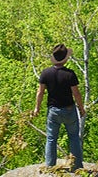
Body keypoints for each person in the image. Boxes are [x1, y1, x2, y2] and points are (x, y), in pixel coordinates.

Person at [33, 43, 86, 171]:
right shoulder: (70, 74)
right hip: (69, 110)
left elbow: (40, 92)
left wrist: (37, 108)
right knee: (73, 137)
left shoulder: (46, 73)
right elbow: (76, 93)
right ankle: (77, 166)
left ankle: (50, 166)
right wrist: (81, 108)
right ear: (65, 59)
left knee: (51, 138)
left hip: (53, 111)